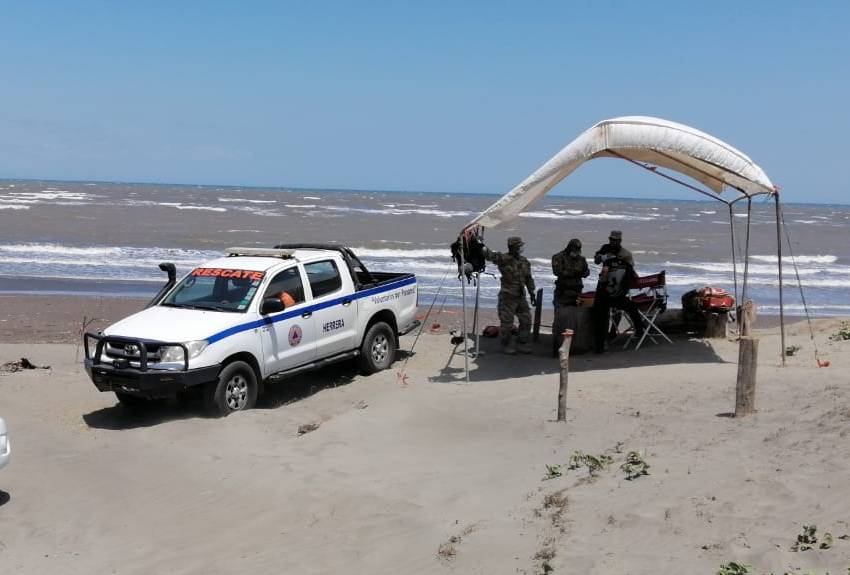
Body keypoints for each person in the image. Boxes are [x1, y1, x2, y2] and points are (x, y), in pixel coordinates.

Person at [482, 236, 536, 354]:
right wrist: (480, 245)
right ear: (513, 247)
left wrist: (532, 293)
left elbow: (528, 278)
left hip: (520, 296)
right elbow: (489, 255)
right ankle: (506, 345)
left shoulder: (524, 261)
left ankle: (521, 343)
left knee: (526, 319)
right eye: (519, 246)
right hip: (508, 296)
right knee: (507, 322)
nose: (521, 248)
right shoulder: (503, 259)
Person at [591, 230, 643, 353]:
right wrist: (602, 257)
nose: (612, 242)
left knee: (628, 309)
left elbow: (630, 274)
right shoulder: (605, 248)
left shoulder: (625, 255)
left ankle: (626, 331)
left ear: (619, 240)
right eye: (611, 239)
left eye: (614, 240)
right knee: (601, 315)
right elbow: (597, 261)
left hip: (618, 289)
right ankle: (600, 343)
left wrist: (623, 288)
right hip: (605, 288)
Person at [551, 238, 589, 307]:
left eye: (577, 250)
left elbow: (587, 271)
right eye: (575, 250)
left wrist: (583, 273)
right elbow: (556, 272)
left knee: (577, 312)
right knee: (561, 312)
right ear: (569, 247)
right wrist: (572, 273)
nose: (576, 252)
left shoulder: (581, 259)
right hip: (563, 291)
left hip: (577, 291)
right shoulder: (558, 257)